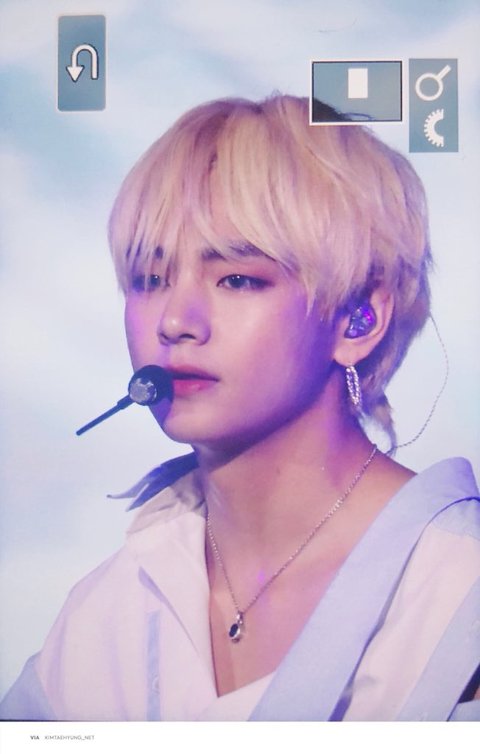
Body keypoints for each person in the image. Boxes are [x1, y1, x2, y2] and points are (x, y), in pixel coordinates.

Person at [1, 95, 479, 722]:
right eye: (149, 279)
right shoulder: (105, 613)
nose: (175, 321)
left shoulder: (457, 592)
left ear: (358, 319)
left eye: (236, 279)